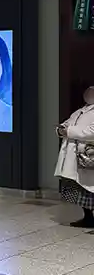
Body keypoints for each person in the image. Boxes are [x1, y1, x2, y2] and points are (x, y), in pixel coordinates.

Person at [55, 86, 94, 227]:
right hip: (74, 157)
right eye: (87, 92)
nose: (89, 94)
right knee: (79, 189)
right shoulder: (79, 111)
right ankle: (88, 217)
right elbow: (66, 124)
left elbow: (91, 131)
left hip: (88, 155)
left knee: (89, 187)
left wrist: (69, 131)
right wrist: (61, 129)